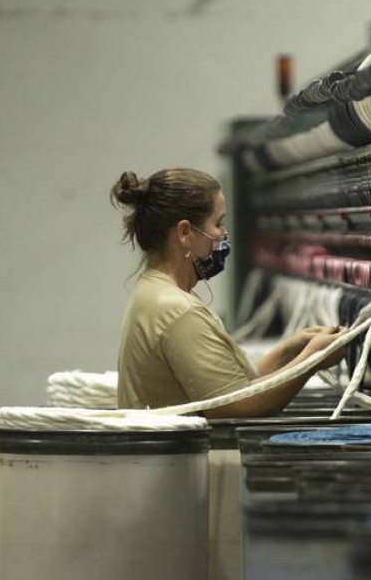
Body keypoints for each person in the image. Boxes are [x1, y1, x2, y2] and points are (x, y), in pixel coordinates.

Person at [109, 168, 343, 416]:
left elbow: (232, 384)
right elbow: (236, 405)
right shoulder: (177, 309)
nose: (223, 234)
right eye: (218, 223)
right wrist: (312, 360)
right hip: (178, 454)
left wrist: (290, 350)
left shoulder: (156, 291)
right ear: (185, 232)